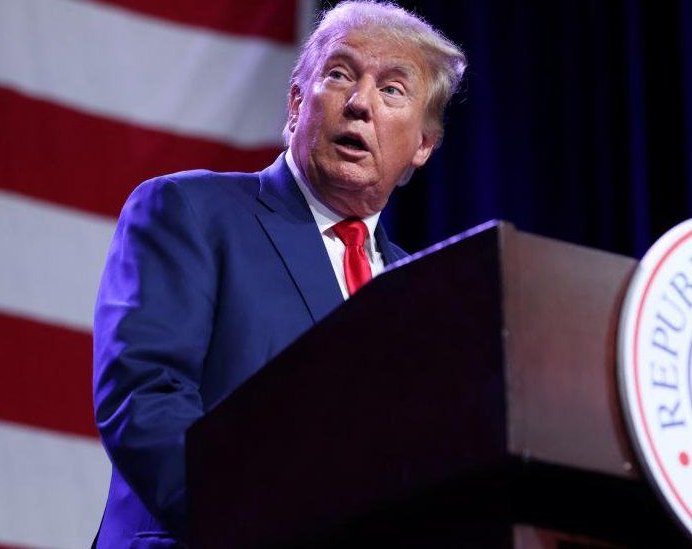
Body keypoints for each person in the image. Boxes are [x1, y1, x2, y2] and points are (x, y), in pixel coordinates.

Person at [91, 2, 466, 546]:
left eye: (392, 90)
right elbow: (146, 399)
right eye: (339, 74)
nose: (360, 103)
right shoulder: (190, 212)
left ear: (424, 145)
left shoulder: (421, 295)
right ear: (295, 103)